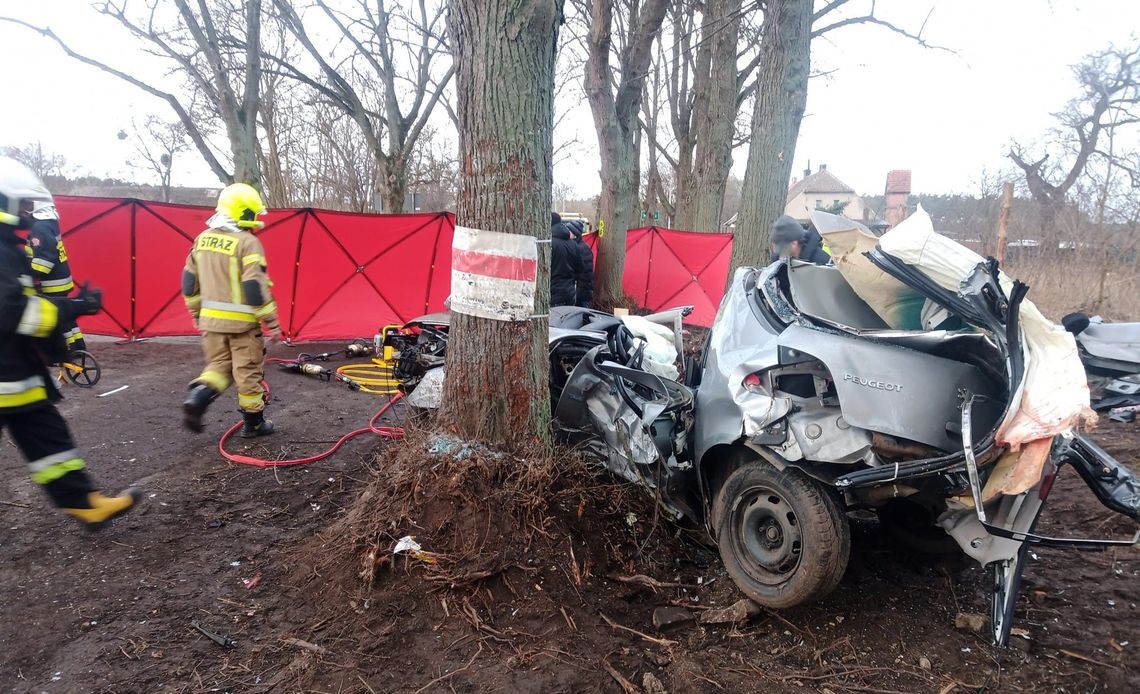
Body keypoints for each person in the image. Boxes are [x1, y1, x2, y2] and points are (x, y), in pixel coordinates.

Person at [0, 157, 140, 529]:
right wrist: (73, 307)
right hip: (7, 374)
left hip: (16, 374)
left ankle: (83, 502)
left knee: (49, 437)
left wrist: (60, 343)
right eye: (23, 204)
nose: (30, 212)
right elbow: (15, 313)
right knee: (45, 433)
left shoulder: (9, 247)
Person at [181, 183, 281, 437]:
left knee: (219, 366)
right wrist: (272, 322)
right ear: (245, 213)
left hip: (210, 324)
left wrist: (196, 314)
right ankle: (254, 424)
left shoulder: (202, 240)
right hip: (242, 326)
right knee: (247, 372)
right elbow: (253, 287)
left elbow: (189, 283)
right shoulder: (247, 243)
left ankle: (198, 397)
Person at [26, 198, 85, 352]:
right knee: (67, 313)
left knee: (58, 315)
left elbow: (46, 255)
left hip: (51, 282)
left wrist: (33, 274)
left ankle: (69, 349)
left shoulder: (39, 227)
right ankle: (79, 346)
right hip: (61, 278)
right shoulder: (50, 223)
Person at [550, 213, 581, 308]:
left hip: (552, 294)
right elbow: (580, 270)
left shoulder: (548, 244)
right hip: (569, 294)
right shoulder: (574, 245)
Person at [567, 219, 594, 308]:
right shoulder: (579, 246)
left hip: (581, 293)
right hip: (580, 291)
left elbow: (583, 273)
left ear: (574, 234)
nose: (567, 233)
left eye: (569, 231)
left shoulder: (581, 249)